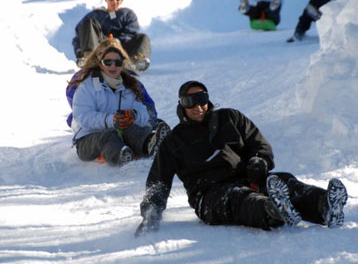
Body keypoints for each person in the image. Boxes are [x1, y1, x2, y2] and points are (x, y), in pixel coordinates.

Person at [135, 80, 348, 236]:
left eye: (201, 99)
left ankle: (323, 205)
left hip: (246, 177)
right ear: (182, 105)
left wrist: (259, 161)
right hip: (209, 194)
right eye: (190, 102)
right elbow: (158, 180)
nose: (197, 107)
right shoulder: (174, 140)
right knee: (240, 198)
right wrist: (151, 211)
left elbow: (260, 145)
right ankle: (272, 210)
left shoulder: (231, 118)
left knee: (284, 180)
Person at [68, 40, 169, 167]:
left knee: (131, 129)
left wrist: (134, 115)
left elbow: (143, 110)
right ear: (100, 64)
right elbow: (82, 116)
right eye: (108, 62)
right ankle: (122, 156)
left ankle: (150, 144)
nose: (113, 66)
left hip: (119, 133)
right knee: (108, 137)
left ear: (122, 65)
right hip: (88, 138)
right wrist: (112, 120)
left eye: (117, 63)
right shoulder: (87, 86)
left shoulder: (128, 87)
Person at [72, 0, 152, 72]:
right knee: (89, 22)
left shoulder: (128, 14)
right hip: (100, 48)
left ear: (121, 0)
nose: (114, 2)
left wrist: (116, 42)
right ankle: (88, 58)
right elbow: (80, 33)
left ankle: (136, 62)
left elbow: (130, 32)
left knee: (143, 37)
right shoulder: (96, 15)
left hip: (123, 49)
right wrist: (79, 52)